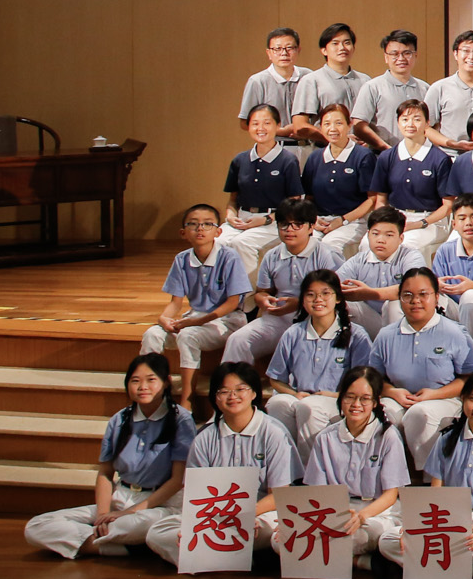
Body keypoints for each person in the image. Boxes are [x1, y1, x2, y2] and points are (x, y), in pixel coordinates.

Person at [23, 353, 191, 559]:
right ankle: (124, 548)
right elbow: (105, 472)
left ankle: (99, 540)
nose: (142, 387)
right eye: (135, 381)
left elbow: (177, 480)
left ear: (166, 383)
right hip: (120, 498)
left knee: (134, 525)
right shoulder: (119, 419)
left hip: (159, 504)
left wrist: (129, 513)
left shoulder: (181, 420)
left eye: (151, 380)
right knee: (37, 526)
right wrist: (102, 515)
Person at [143, 364, 296, 564]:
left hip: (260, 513)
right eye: (224, 391)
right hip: (214, 516)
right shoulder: (204, 438)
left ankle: (205, 555)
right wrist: (199, 524)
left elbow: (278, 495)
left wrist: (245, 515)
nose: (232, 396)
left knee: (270, 532)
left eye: (240, 389)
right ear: (215, 398)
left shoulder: (274, 433)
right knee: (156, 532)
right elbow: (197, 495)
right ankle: (223, 555)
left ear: (254, 394)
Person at [378, 367, 473, 573]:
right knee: (388, 540)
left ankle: (431, 567)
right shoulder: (447, 437)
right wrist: (418, 527)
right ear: (462, 399)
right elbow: (436, 496)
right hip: (450, 520)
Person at [140, 203, 252, 408]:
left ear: (218, 231)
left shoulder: (229, 257)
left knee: (188, 336)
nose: (200, 229)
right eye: (193, 224)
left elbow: (232, 303)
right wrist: (163, 318)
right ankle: (156, 390)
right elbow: (175, 303)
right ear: (183, 233)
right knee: (152, 334)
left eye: (207, 224)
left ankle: (187, 401)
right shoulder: (181, 259)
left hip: (226, 321)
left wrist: (197, 321)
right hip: (194, 318)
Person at [374, 268, 473, 466]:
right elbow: (374, 378)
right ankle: (389, 474)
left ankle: (429, 475)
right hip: (399, 399)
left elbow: (471, 379)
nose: (416, 301)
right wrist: (392, 392)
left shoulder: (455, 333)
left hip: (445, 399)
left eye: (423, 294)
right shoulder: (386, 336)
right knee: (381, 412)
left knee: (419, 414)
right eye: (408, 295)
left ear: (437, 297)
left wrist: (435, 394)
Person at [301, 365, 407, 561]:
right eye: (350, 397)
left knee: (360, 535)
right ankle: (361, 563)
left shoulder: (388, 436)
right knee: (283, 540)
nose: (356, 404)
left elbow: (391, 495)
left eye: (364, 399)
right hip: (335, 511)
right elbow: (317, 492)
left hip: (376, 513)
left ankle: (348, 561)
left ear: (375, 402)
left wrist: (361, 516)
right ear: (341, 398)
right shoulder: (325, 437)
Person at [266, 270, 375, 449]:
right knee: (278, 403)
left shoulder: (356, 335)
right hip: (301, 397)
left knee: (309, 407)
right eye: (311, 295)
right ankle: (285, 462)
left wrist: (335, 395)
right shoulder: (293, 334)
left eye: (325, 293)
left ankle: (311, 465)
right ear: (303, 300)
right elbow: (276, 378)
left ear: (338, 298)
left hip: (338, 400)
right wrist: (294, 394)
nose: (318, 300)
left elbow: (366, 381)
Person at [220, 199, 336, 367]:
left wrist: (299, 304)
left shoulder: (325, 254)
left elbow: (332, 296)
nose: (289, 229)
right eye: (284, 224)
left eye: (297, 225)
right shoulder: (272, 255)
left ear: (311, 227)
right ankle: (233, 382)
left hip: (315, 319)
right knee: (238, 340)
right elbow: (262, 292)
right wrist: (263, 300)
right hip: (278, 318)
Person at [215, 104, 306, 274]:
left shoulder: (288, 160)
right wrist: (231, 215)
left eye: (267, 123)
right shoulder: (239, 160)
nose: (260, 128)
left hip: (275, 221)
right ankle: (222, 289)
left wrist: (266, 219)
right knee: (217, 242)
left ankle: (248, 290)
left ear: (278, 126)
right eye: (255, 123)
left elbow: (295, 201)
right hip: (241, 218)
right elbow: (233, 199)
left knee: (242, 243)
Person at [367, 99, 453, 261]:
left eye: (417, 119)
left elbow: (448, 206)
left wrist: (420, 223)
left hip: (430, 222)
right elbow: (381, 200)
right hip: (394, 218)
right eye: (405, 119)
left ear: (427, 123)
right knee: (367, 244)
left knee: (406, 246)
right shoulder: (387, 157)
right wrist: (383, 223)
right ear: (398, 123)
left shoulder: (440, 159)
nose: (410, 124)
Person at [302, 102, 375, 261]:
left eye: (339, 123)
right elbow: (308, 198)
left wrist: (342, 220)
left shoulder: (363, 156)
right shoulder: (315, 158)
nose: (332, 128)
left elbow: (372, 200)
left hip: (354, 222)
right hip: (320, 221)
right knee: (306, 243)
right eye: (327, 124)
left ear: (349, 125)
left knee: (330, 244)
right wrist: (313, 219)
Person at [335, 208, 420, 338]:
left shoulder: (410, 256)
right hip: (371, 319)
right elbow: (331, 285)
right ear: (368, 235)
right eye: (375, 234)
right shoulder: (358, 260)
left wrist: (369, 293)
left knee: (393, 305)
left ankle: (396, 346)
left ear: (400, 238)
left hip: (404, 321)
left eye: (389, 235)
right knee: (338, 303)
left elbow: (414, 288)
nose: (381, 240)